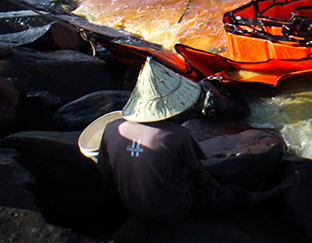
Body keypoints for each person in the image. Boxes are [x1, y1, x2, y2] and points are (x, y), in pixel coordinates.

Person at [96, 57, 295, 224]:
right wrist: (216, 185)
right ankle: (272, 193)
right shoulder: (176, 136)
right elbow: (201, 177)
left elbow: (106, 176)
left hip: (131, 206)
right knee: (229, 195)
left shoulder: (112, 128)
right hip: (171, 211)